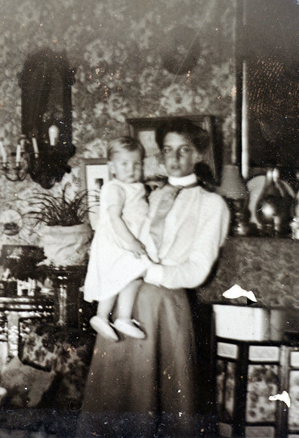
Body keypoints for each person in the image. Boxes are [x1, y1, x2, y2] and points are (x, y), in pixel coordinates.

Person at [77, 119, 230, 438]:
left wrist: (152, 271)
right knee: (116, 401)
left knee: (163, 409)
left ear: (198, 155)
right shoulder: (149, 195)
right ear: (159, 156)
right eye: (167, 150)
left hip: (164, 306)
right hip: (126, 303)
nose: (174, 158)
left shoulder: (212, 204)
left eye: (184, 150)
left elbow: (198, 269)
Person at [84, 136, 157, 342]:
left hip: (130, 239)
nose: (131, 169)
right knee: (114, 277)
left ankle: (123, 318)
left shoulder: (138, 187)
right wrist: (131, 242)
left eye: (137, 164)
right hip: (117, 241)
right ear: (112, 167)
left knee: (132, 276)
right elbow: (114, 218)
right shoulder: (114, 188)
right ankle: (100, 316)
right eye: (124, 164)